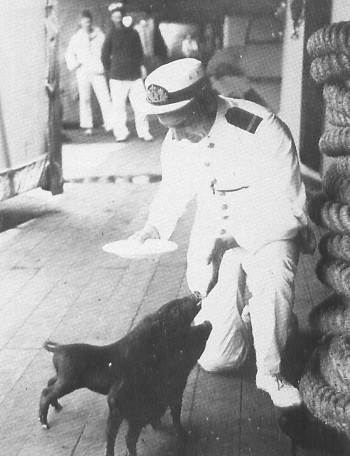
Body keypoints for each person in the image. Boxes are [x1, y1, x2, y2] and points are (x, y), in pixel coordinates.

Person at [131, 58, 315, 409]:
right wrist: (154, 226)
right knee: (219, 358)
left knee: (274, 277)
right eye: (168, 127)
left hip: (268, 230)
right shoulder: (177, 136)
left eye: (182, 125)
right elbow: (173, 190)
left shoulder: (261, 127)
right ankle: (260, 318)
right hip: (213, 234)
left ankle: (272, 373)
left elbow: (291, 210)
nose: (176, 136)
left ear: (203, 102)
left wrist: (236, 238)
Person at [101, 2, 153, 142]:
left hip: (135, 76)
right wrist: (111, 70)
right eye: (115, 17)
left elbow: (140, 52)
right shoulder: (110, 35)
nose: (118, 19)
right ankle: (121, 133)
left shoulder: (134, 33)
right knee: (118, 107)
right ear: (112, 19)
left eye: (120, 16)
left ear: (124, 17)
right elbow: (104, 56)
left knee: (141, 106)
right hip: (117, 77)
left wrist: (142, 66)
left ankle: (144, 132)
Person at [65, 9, 113, 135]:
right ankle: (87, 126)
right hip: (83, 72)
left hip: (97, 71)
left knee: (104, 97)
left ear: (91, 22)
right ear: (81, 23)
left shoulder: (99, 35)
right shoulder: (76, 38)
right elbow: (69, 54)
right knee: (85, 99)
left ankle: (110, 123)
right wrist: (76, 64)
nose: (87, 24)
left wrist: (104, 64)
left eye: (88, 21)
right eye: (84, 22)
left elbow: (106, 51)